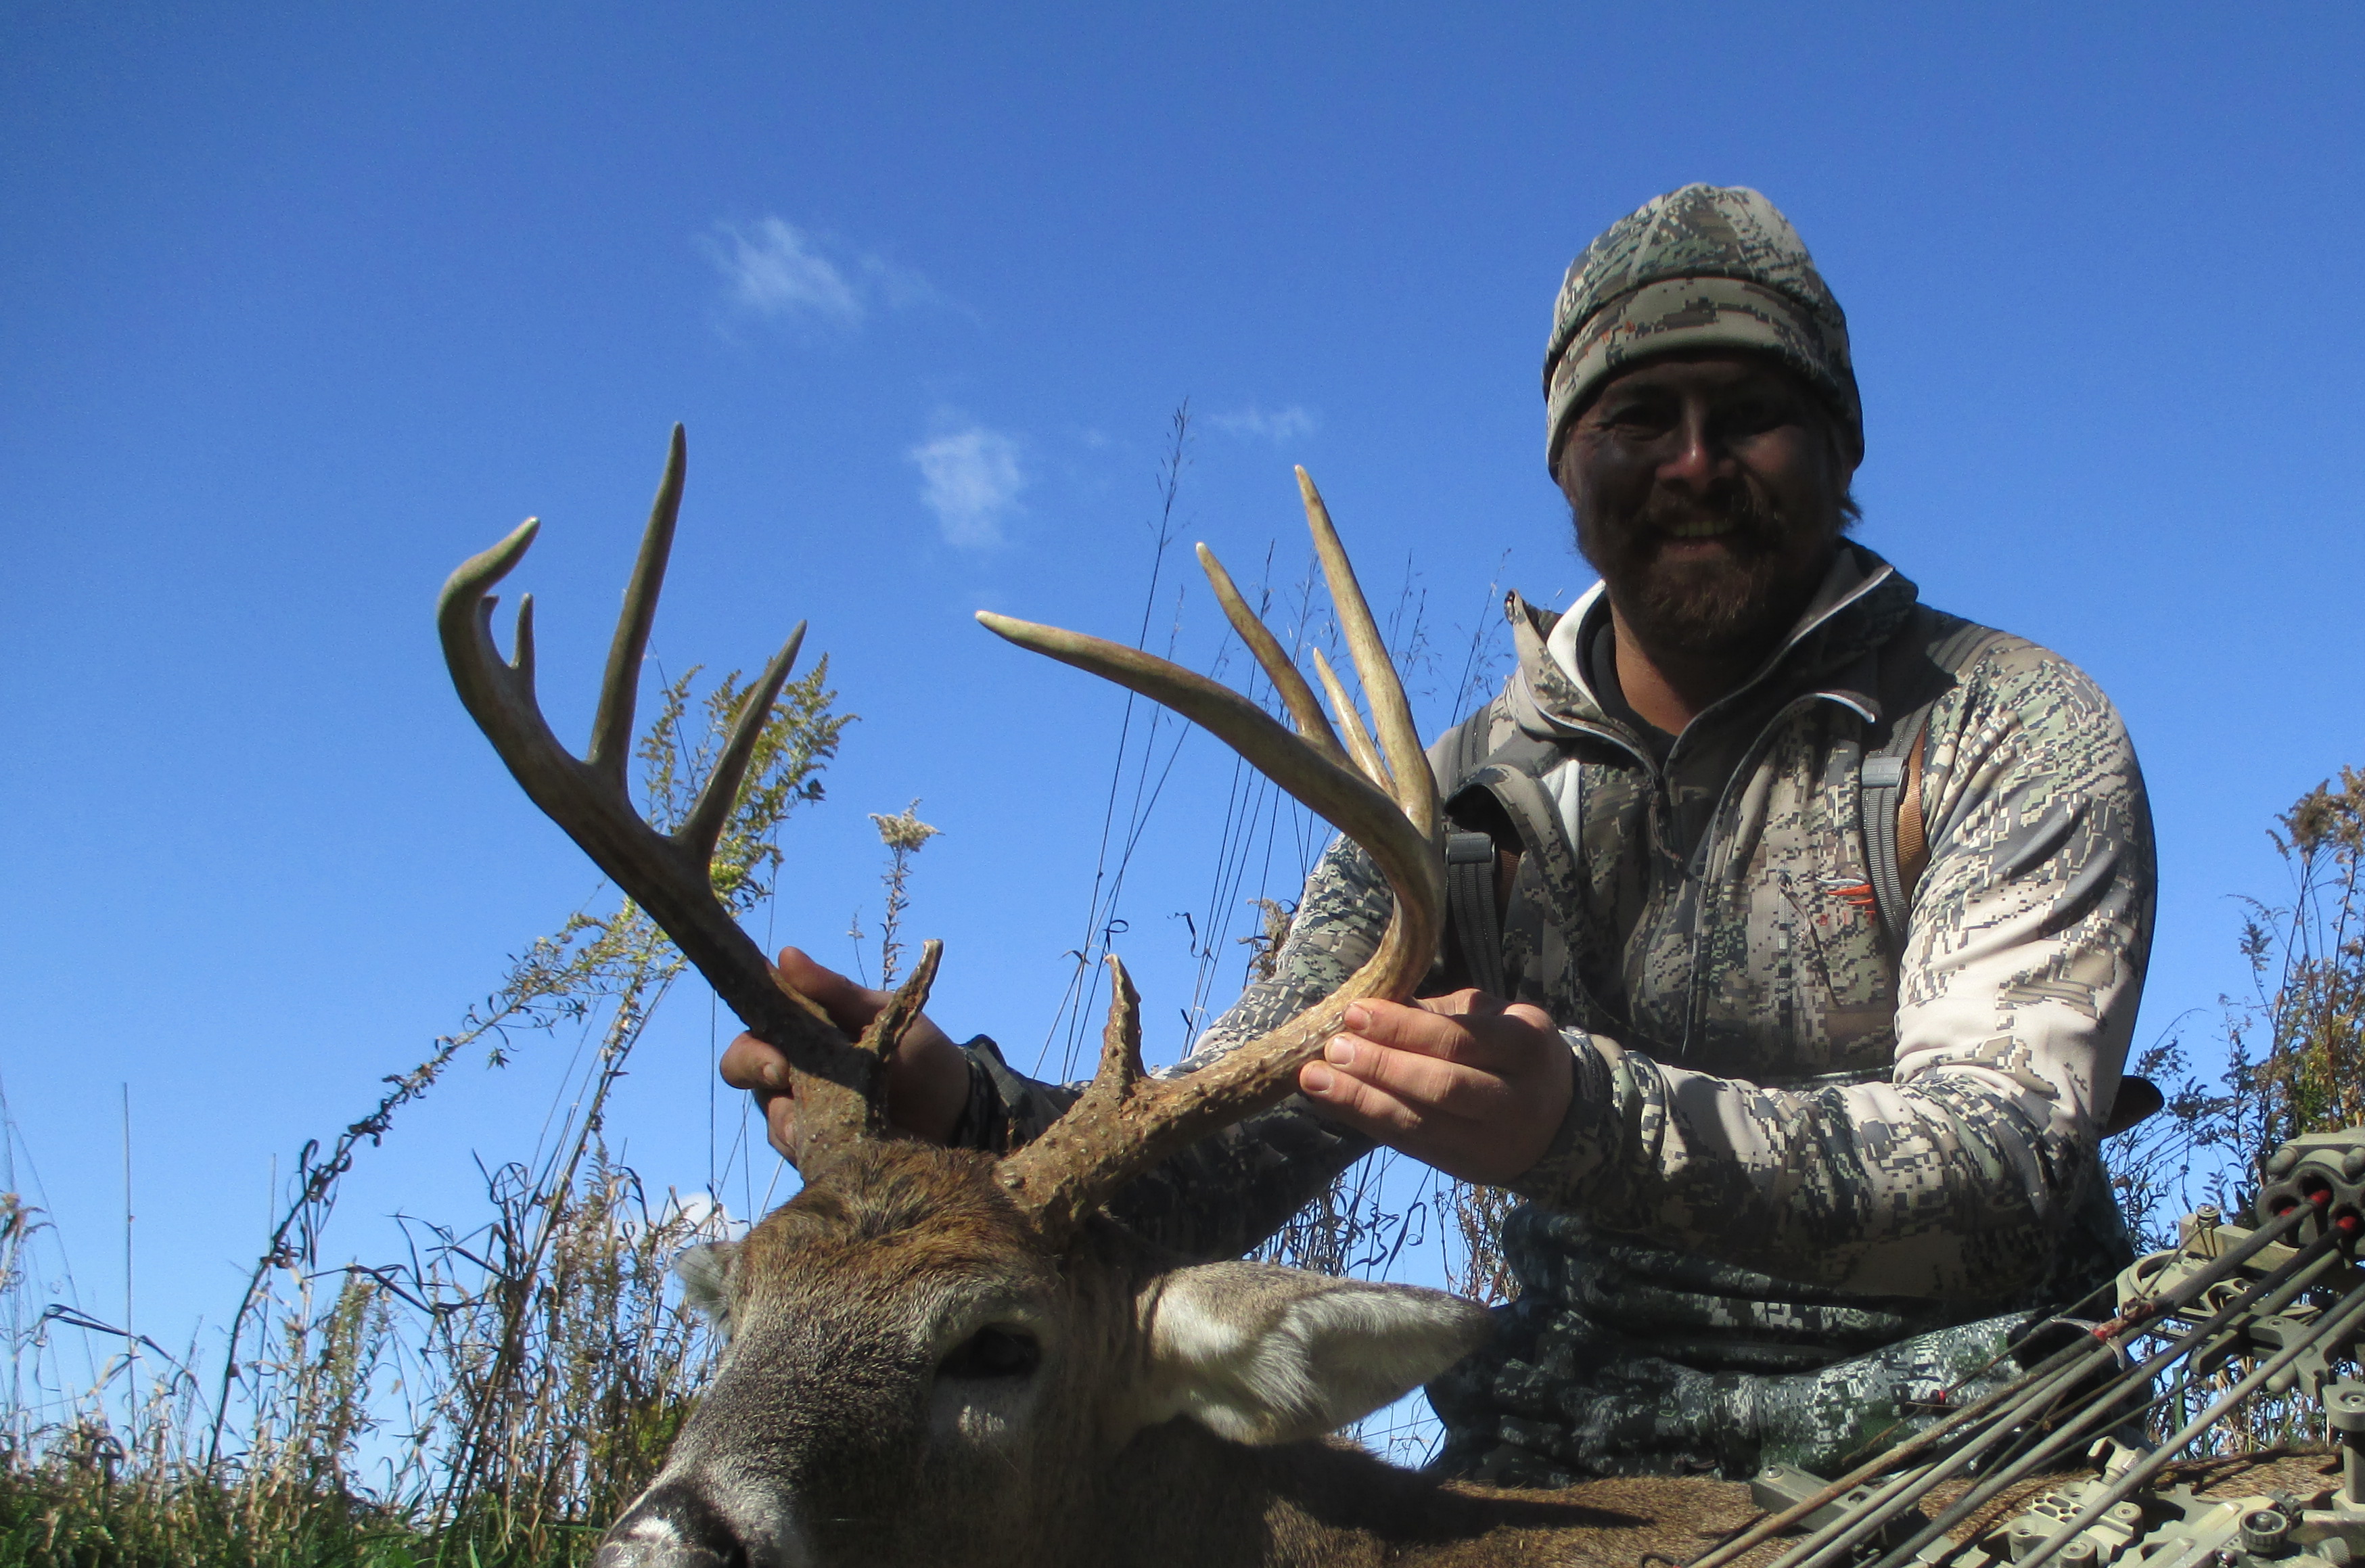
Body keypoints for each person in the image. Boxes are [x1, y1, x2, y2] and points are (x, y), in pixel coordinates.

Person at [726, 184, 2157, 1488]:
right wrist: (964, 1118)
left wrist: (1583, 1123)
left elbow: (2002, 1179)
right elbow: (1226, 1151)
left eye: (1752, 409)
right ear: (1567, 465)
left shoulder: (2004, 728)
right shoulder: (1442, 810)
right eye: (1640, 417)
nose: (1697, 461)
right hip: (1577, 1440)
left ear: (1841, 442)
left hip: (1964, 1432)